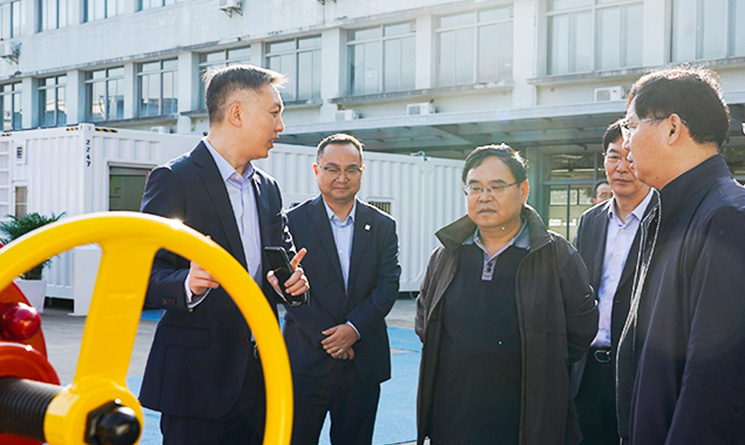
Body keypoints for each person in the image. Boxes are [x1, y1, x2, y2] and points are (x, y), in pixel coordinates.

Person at [138, 64, 309, 445]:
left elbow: (280, 265)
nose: (281, 126)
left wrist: (293, 284)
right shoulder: (174, 179)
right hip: (198, 383)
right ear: (236, 114)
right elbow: (140, 276)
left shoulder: (268, 189)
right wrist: (187, 283)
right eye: (274, 113)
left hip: (261, 380)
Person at [415, 144, 598, 445]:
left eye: (496, 187)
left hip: (526, 419)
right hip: (453, 415)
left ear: (523, 191)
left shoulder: (556, 255)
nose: (484, 197)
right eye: (475, 188)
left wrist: (543, 361)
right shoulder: (446, 255)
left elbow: (581, 328)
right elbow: (426, 321)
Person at [616, 67, 745, 443]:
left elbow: (716, 383)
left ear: (672, 128)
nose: (625, 144)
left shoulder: (727, 217)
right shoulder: (666, 212)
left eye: (631, 126)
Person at [283, 133, 401, 445]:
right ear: (316, 170)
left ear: (362, 171)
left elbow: (388, 284)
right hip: (306, 359)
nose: (342, 177)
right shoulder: (290, 223)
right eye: (332, 168)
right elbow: (286, 288)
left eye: (351, 169)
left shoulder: (383, 225)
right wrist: (331, 337)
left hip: (362, 362)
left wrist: (353, 329)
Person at [570, 121, 656, 444]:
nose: (621, 167)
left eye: (630, 157)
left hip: (638, 374)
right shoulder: (590, 221)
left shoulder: (666, 219)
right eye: (613, 156)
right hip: (587, 372)